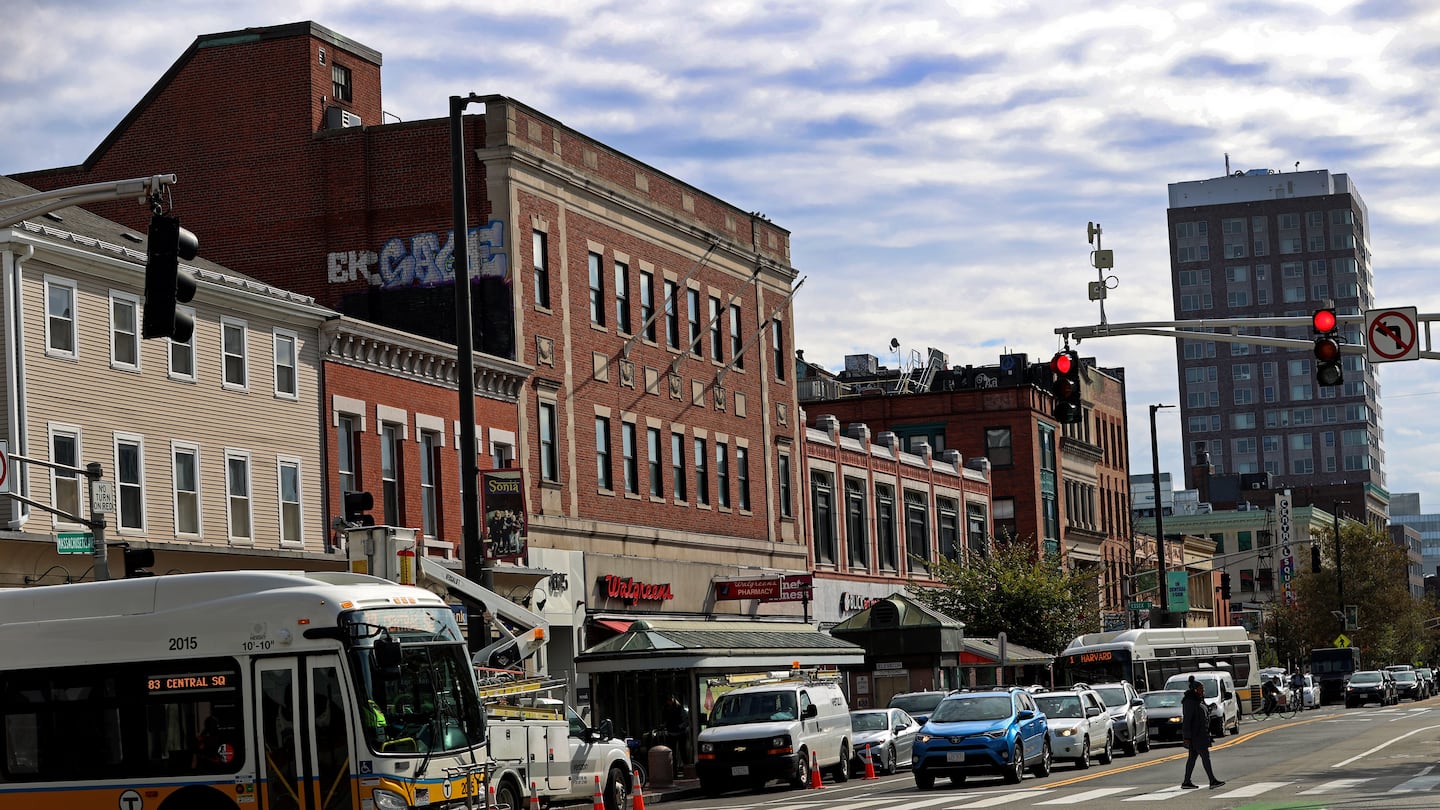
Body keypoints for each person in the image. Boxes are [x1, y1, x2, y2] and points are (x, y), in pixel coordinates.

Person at [1181, 678, 1224, 789]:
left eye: (1203, 689)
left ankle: (1186, 782)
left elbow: (1202, 712)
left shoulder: (1198, 700)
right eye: (1201, 689)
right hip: (1197, 735)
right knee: (1205, 757)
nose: (1203, 691)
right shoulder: (1190, 702)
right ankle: (1212, 780)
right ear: (1195, 690)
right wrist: (1187, 737)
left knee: (1192, 759)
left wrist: (1210, 708)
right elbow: (1187, 720)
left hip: (1201, 734)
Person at [662, 694, 691, 767]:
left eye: (671, 700)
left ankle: (686, 767)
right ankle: (675, 769)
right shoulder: (666, 709)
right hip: (672, 732)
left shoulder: (679, 708)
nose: (670, 702)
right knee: (673, 752)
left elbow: (686, 720)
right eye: (668, 700)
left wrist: (679, 726)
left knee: (683, 751)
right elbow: (665, 720)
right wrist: (665, 725)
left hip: (680, 732)